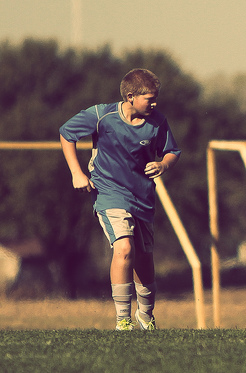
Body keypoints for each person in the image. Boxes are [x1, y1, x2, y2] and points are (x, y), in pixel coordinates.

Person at [59, 68, 180, 330]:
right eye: (149, 98)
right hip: (109, 192)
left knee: (144, 258)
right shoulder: (102, 115)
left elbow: (172, 151)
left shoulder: (157, 122)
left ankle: (146, 316)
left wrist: (163, 165)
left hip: (144, 197)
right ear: (130, 96)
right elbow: (66, 133)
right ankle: (122, 319)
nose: (154, 103)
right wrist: (76, 173)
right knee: (124, 248)